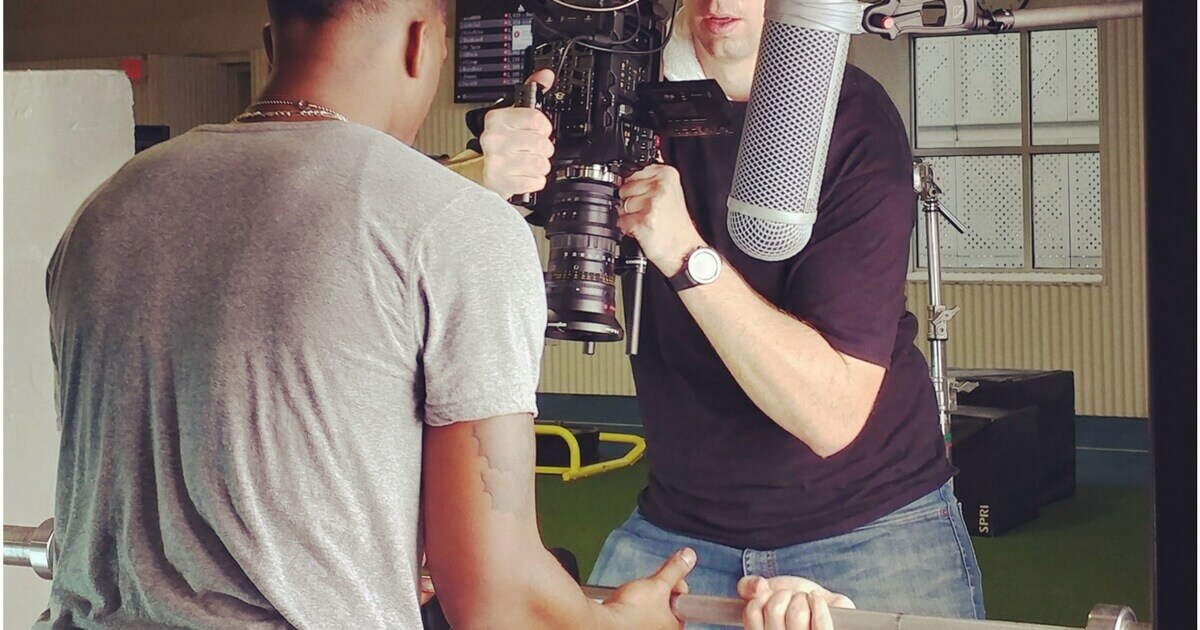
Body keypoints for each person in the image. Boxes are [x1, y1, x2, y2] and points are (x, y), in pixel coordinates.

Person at [37, 0, 846, 628]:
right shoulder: (451, 228)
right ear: (424, 43)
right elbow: (499, 604)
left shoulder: (107, 212)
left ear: (270, 36)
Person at [474, 0, 986, 624]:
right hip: (681, 527)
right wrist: (489, 176)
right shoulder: (618, 90)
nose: (720, 4)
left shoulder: (854, 121)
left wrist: (689, 257)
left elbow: (831, 415)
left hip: (870, 521)